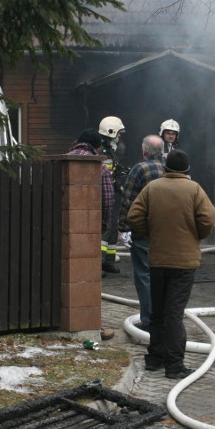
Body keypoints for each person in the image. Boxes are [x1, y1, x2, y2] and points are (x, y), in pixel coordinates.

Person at [127, 149, 215, 379]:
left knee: (157, 311)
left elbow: (134, 217)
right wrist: (196, 234)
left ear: (166, 168)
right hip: (184, 263)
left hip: (157, 259)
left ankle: (154, 358)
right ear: (187, 170)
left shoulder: (152, 188)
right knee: (174, 314)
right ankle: (174, 366)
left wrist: (152, 233)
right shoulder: (194, 189)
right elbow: (207, 219)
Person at [67, 127, 116, 340]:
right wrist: (102, 225)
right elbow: (107, 200)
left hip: (64, 230)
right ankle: (91, 324)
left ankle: (67, 320)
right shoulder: (100, 167)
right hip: (88, 230)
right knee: (88, 279)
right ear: (96, 147)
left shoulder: (65, 159)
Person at [118, 134, 165, 330]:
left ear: (144, 151)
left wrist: (123, 227)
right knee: (164, 275)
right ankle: (165, 319)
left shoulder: (139, 169)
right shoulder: (171, 170)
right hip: (167, 232)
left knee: (144, 275)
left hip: (144, 232)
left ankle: (149, 321)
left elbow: (129, 200)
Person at [98, 116, 126, 274]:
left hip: (111, 193)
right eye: (118, 133)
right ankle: (98, 262)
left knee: (113, 228)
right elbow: (103, 173)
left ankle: (109, 261)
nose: (120, 136)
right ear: (111, 131)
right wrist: (116, 179)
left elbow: (112, 169)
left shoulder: (110, 150)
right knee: (106, 229)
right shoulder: (101, 150)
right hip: (104, 193)